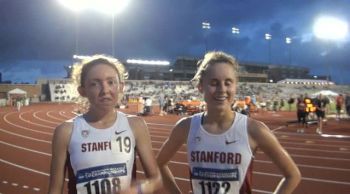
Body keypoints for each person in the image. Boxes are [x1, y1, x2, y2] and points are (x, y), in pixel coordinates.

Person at [156, 51, 301, 194]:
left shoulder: (253, 129)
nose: (222, 89)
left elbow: (292, 175)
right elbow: (159, 164)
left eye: (228, 83)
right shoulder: (186, 127)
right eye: (214, 83)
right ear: (200, 86)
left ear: (235, 86)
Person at [48, 55, 162, 194]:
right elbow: (54, 190)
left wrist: (136, 190)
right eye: (95, 84)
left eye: (111, 82)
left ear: (121, 87)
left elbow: (156, 179)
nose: (105, 90)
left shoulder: (135, 125)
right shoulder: (66, 131)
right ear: (82, 91)